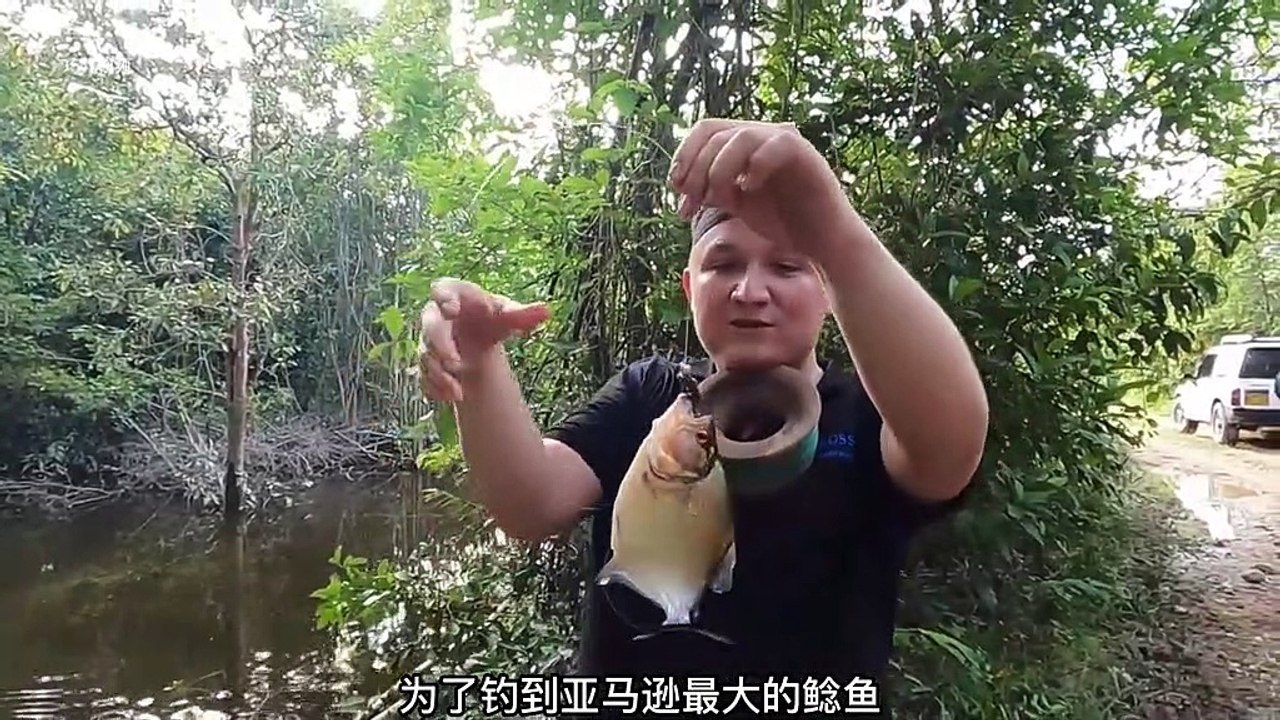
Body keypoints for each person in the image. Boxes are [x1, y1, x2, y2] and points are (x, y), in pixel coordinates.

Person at [417, 118, 989, 717]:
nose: (750, 291)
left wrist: (833, 229)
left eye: (788, 267)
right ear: (690, 288)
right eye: (724, 264)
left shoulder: (870, 414)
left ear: (828, 288)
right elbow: (531, 504)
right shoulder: (649, 395)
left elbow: (949, 449)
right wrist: (478, 364)